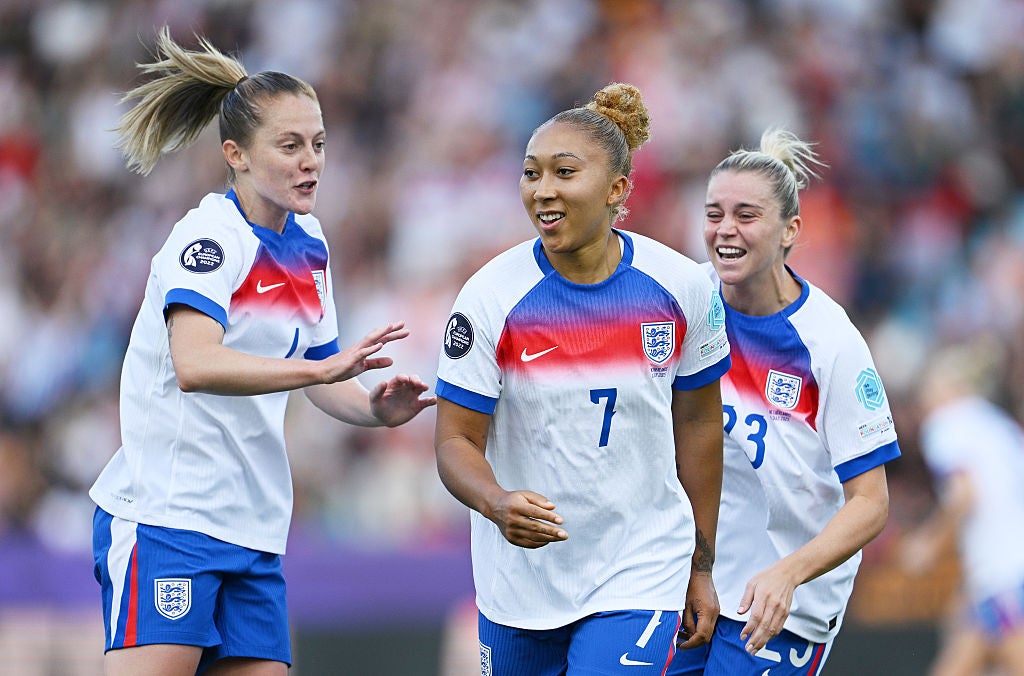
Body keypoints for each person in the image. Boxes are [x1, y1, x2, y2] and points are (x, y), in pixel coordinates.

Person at [88, 27, 435, 676]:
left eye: (319, 144)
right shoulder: (210, 240)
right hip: (170, 518)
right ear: (236, 154)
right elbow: (196, 363)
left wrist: (373, 411)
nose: (312, 161)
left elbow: (324, 375)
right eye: (290, 145)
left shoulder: (309, 242)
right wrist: (316, 369)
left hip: (251, 529)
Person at [433, 82, 732, 675]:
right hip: (519, 582)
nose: (543, 191)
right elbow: (453, 440)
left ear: (619, 189)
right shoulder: (490, 298)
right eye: (531, 173)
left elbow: (699, 425)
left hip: (639, 566)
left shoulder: (684, 288)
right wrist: (496, 502)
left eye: (564, 172)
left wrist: (701, 567)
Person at [668, 129, 901, 676]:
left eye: (746, 215)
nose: (725, 230)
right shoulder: (679, 303)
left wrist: (789, 573)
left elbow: (871, 502)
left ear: (790, 229)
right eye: (714, 214)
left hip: (782, 604)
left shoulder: (830, 342)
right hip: (686, 581)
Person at [900, 339, 1024, 676]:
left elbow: (964, 494)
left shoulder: (947, 423)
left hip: (1003, 573)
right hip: (999, 572)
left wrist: (929, 543)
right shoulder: (999, 425)